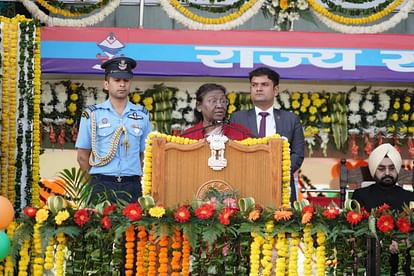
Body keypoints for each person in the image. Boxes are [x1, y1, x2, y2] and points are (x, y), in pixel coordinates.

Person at [75, 57, 152, 203]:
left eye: (126, 80)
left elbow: (146, 155)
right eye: (117, 80)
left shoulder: (143, 115)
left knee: (135, 226)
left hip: (133, 185)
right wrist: (93, 183)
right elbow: (82, 156)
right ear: (106, 84)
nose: (122, 84)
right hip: (101, 183)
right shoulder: (92, 114)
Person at [230, 67, 305, 202]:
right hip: (246, 185)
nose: (258, 89)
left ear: (275, 90)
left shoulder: (290, 119)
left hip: (281, 185)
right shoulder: (237, 118)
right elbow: (233, 151)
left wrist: (279, 171)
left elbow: (297, 154)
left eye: (264, 85)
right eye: (254, 85)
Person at [352, 143, 414, 275]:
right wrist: (382, 242)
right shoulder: (360, 195)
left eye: (391, 168)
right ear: (374, 170)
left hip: (403, 258)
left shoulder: (410, 197)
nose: (387, 173)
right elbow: (356, 231)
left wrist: (407, 241)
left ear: (397, 169)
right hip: (371, 257)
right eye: (381, 168)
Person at [181, 83, 252, 140]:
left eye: (223, 101)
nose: (220, 105)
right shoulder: (187, 137)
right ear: (199, 106)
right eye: (213, 101)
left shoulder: (242, 133)